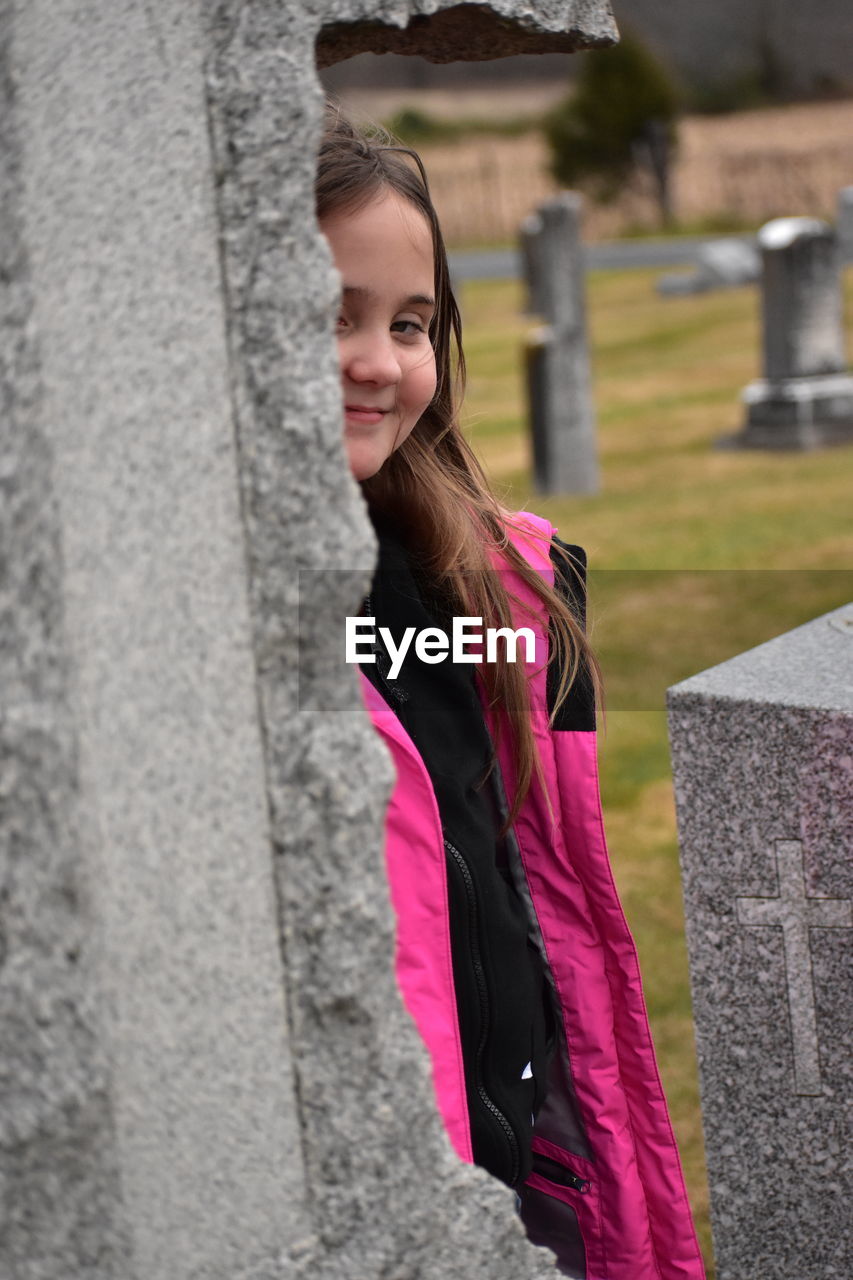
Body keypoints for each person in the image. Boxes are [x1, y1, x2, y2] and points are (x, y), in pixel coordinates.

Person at [316, 100, 705, 1280]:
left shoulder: (528, 586)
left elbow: (567, 902)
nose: (380, 360)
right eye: (332, 316)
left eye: (412, 322)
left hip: (535, 1170)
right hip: (390, 1190)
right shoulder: (243, 629)